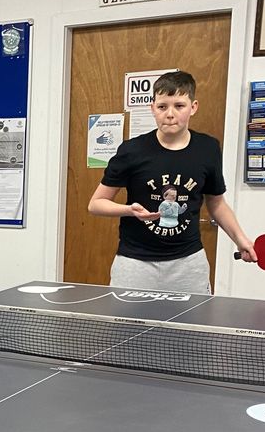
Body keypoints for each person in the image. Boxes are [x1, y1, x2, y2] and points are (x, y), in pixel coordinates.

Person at [87, 70, 255, 293]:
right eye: (162, 106)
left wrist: (241, 239)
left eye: (179, 105)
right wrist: (129, 210)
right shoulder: (131, 150)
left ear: (193, 107)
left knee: (188, 328)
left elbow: (216, 204)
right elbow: (96, 204)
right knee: (127, 329)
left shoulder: (208, 148)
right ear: (152, 108)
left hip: (188, 264)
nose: (170, 114)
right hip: (135, 264)